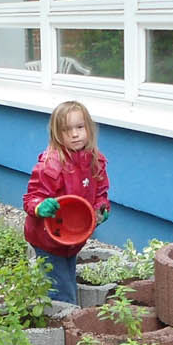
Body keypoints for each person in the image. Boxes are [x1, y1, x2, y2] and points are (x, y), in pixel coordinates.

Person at [22, 100, 111, 305]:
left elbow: (101, 193)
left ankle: (61, 310)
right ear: (56, 134)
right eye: (66, 130)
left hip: (73, 237)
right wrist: (40, 206)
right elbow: (31, 198)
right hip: (47, 238)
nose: (74, 134)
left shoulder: (95, 160)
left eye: (80, 127)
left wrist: (101, 208)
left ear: (89, 128)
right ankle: (63, 325)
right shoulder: (51, 164)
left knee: (66, 275)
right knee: (61, 292)